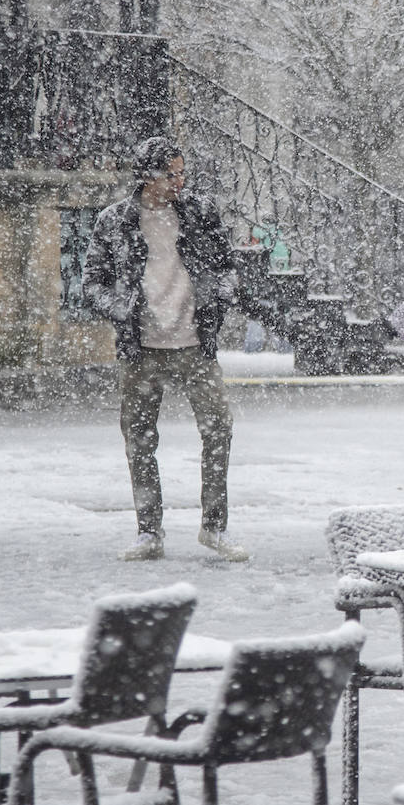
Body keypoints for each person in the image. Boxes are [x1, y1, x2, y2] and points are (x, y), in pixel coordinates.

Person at [83, 136, 249, 562]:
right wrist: (124, 311)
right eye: (170, 173)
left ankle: (214, 528)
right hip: (142, 350)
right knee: (139, 439)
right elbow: (91, 284)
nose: (180, 181)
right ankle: (148, 531)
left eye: (181, 172)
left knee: (218, 430)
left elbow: (228, 265)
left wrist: (220, 296)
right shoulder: (115, 221)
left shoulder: (199, 212)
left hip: (195, 343)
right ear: (147, 176)